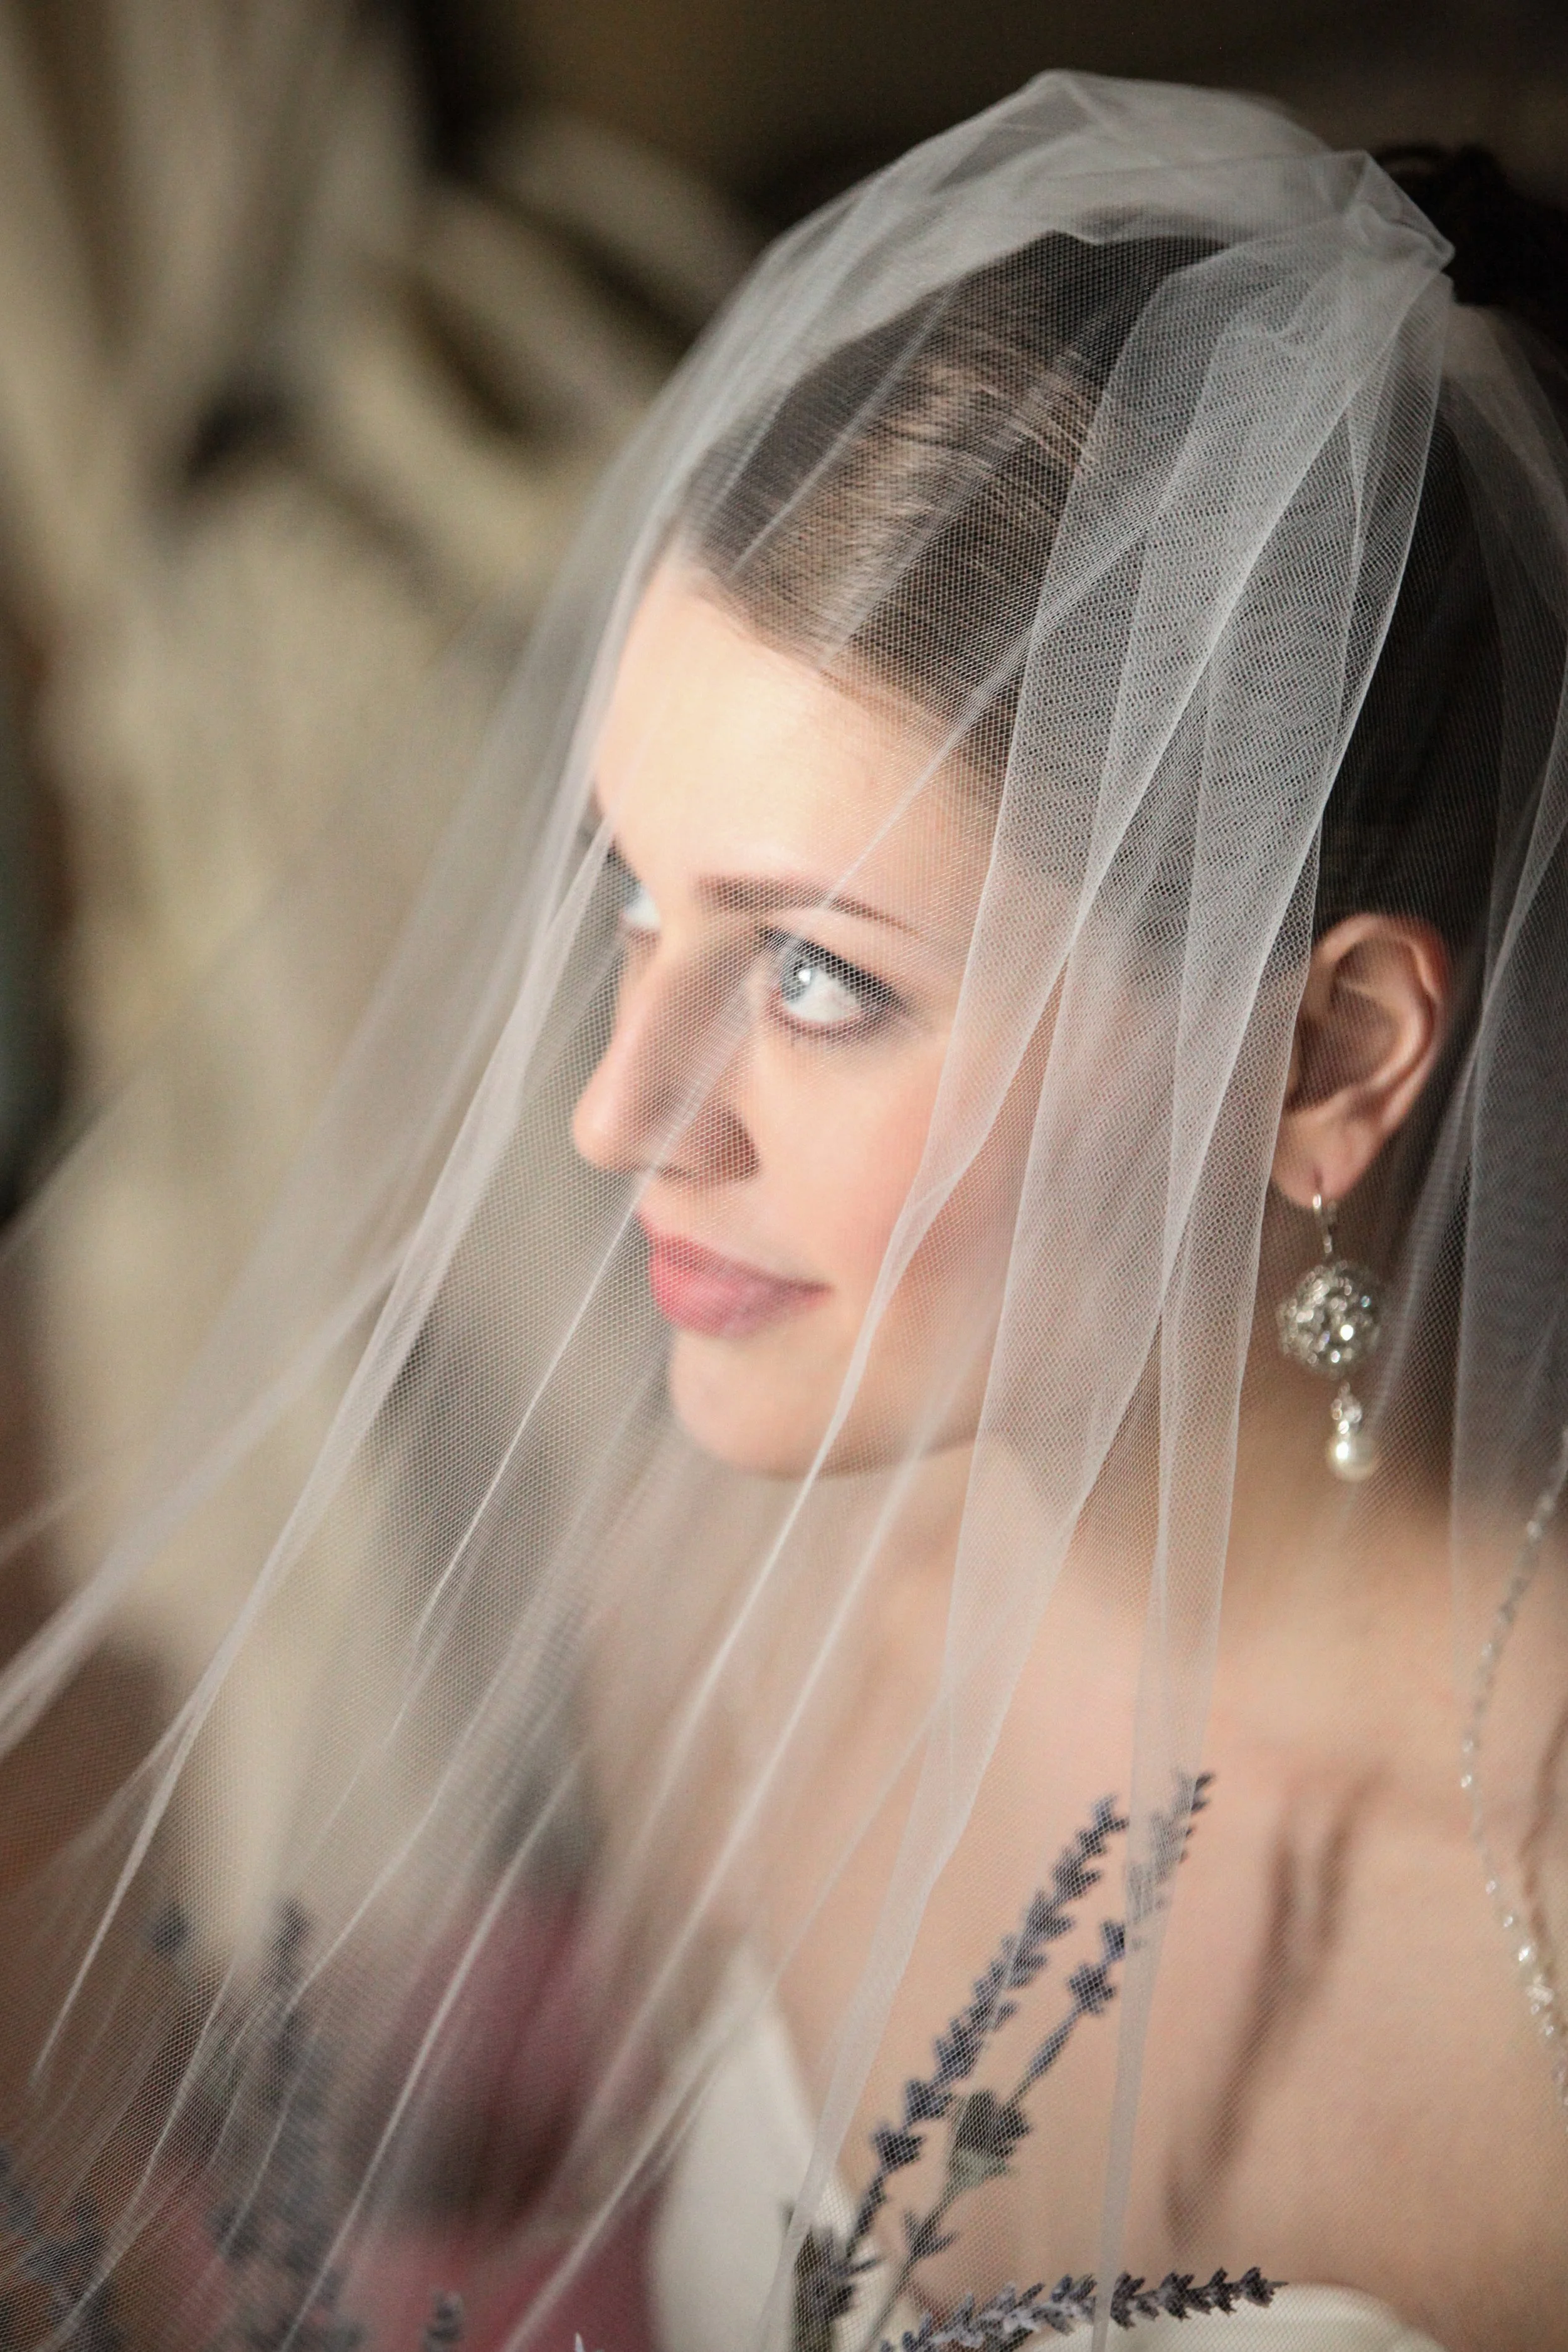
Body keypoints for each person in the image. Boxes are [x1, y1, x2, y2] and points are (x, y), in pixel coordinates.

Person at [0, 71, 1565, 2352]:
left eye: (818, 975)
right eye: (635, 910)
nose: (619, 1111)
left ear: (1321, 1057)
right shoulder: (730, 1601)